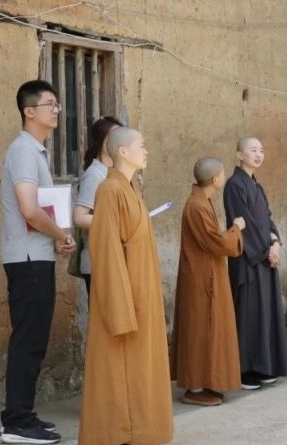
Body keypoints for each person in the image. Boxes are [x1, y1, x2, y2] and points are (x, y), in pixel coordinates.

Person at [78, 127, 174, 445]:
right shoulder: (109, 190)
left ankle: (143, 430)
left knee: (143, 370)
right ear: (122, 151)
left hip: (142, 293)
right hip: (126, 300)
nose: (146, 151)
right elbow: (106, 252)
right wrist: (120, 309)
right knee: (123, 373)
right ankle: (121, 432)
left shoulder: (131, 188)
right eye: (141, 146)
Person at [0, 80, 75, 445]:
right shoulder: (24, 151)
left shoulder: (35, 152)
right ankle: (17, 422)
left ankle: (21, 416)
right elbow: (30, 211)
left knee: (32, 340)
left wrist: (58, 237)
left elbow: (39, 214)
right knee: (28, 341)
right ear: (29, 111)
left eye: (58, 104)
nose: (56, 110)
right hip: (28, 260)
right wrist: (60, 234)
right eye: (50, 104)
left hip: (36, 256)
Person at [170, 157, 246, 406]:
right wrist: (236, 228)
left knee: (206, 330)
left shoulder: (202, 201)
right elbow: (216, 242)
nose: (224, 177)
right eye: (222, 174)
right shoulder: (197, 205)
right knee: (199, 330)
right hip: (200, 278)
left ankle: (204, 382)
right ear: (216, 179)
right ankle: (194, 387)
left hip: (206, 273)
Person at [223, 137, 287, 390]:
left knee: (265, 313)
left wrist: (275, 243)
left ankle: (264, 366)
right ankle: (246, 370)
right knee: (249, 313)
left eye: (262, 150)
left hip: (264, 257)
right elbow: (242, 223)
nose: (258, 154)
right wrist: (264, 252)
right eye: (253, 150)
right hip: (247, 260)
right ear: (239, 155)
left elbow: (267, 219)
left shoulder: (256, 186)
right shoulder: (234, 185)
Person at [71, 116, 124, 299]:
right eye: (115, 136)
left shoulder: (114, 173)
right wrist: (115, 221)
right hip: (98, 261)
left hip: (114, 259)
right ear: (102, 141)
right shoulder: (95, 174)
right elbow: (79, 217)